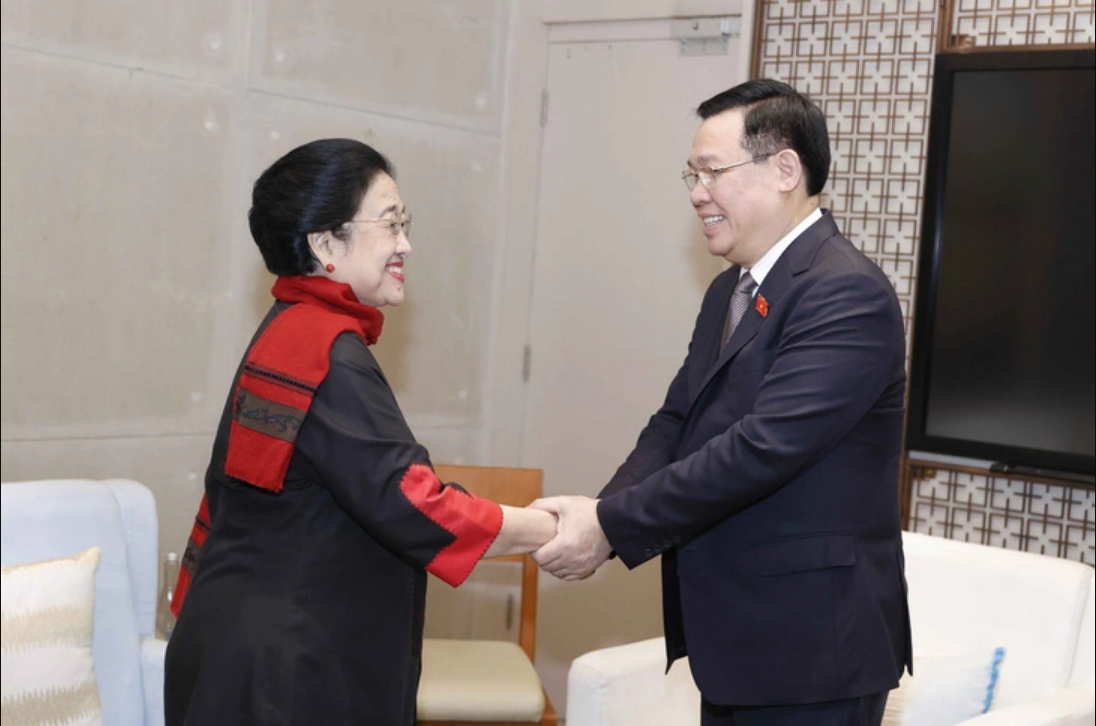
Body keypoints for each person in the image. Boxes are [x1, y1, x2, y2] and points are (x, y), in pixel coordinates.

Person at [532, 80, 912, 725]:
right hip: (738, 635)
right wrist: (604, 509)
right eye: (691, 174)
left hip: (812, 647)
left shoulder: (846, 292)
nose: (696, 194)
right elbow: (678, 420)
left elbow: (762, 449)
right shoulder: (730, 292)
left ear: (785, 168)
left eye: (712, 171)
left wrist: (613, 527)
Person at [164, 138, 556, 726]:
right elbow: (411, 503)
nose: (406, 245)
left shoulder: (292, 330)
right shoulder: (327, 353)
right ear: (325, 243)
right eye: (392, 224)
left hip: (243, 647)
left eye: (406, 224)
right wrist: (549, 527)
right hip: (286, 672)